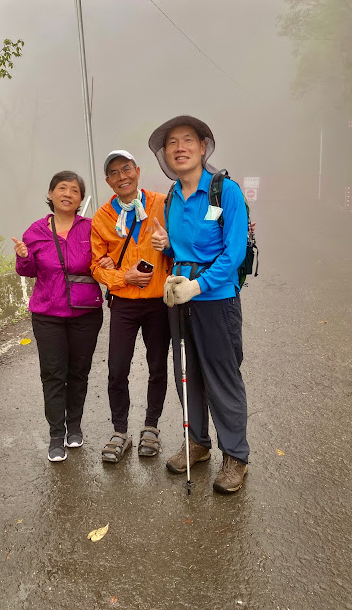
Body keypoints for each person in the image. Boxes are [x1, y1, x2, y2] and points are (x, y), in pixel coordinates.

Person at [149, 115, 250, 494]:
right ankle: (197, 443)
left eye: (187, 140)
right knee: (186, 374)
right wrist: (168, 248)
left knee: (222, 378)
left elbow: (233, 252)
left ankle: (235, 456)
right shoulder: (174, 197)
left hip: (216, 301)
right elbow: (184, 250)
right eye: (172, 142)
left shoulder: (226, 192)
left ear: (203, 146)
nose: (179, 148)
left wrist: (199, 285)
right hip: (179, 299)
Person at [12, 171, 113, 463]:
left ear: (81, 198)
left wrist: (106, 261)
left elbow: (103, 261)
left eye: (74, 190)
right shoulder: (36, 231)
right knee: (53, 374)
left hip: (85, 313)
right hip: (48, 313)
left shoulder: (92, 228)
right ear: (51, 193)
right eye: (62, 188)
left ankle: (75, 426)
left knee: (78, 372)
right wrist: (23, 256)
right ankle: (57, 436)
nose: (67, 194)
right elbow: (28, 271)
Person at [90, 150, 172, 463]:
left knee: (157, 367)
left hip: (158, 302)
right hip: (123, 303)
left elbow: (182, 243)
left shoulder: (162, 204)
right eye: (115, 172)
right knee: (117, 369)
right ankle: (120, 430)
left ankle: (151, 427)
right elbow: (96, 265)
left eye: (127, 169)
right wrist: (124, 276)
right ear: (108, 181)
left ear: (137, 171)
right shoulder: (102, 217)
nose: (122, 176)